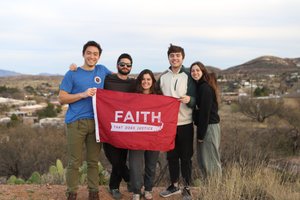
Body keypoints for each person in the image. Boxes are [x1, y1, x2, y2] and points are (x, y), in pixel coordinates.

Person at [58, 41, 112, 200]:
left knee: (93, 161)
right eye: (89, 53)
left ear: (99, 56)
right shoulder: (72, 73)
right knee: (74, 161)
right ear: (83, 54)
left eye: (95, 54)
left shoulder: (102, 70)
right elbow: (61, 98)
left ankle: (93, 193)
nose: (92, 56)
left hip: (96, 123)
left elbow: (120, 80)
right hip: (76, 122)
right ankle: (72, 193)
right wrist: (82, 94)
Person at [158, 44, 196, 200]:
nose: (175, 58)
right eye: (172, 55)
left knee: (186, 157)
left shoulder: (188, 75)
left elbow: (196, 98)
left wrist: (190, 99)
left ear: (183, 57)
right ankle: (174, 185)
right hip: (168, 124)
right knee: (171, 157)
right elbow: (154, 98)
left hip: (185, 123)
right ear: (168, 58)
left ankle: (186, 188)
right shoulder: (163, 77)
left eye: (178, 55)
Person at [103, 53, 136, 200]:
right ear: (117, 65)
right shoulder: (108, 79)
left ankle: (114, 187)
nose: (125, 67)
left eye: (128, 65)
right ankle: (129, 178)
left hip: (126, 129)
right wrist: (75, 68)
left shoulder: (133, 84)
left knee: (121, 160)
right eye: (122, 64)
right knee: (114, 159)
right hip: (108, 127)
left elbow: (149, 90)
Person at [129, 69, 162, 200]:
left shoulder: (160, 97)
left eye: (148, 79)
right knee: (135, 165)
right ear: (140, 81)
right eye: (143, 79)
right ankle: (136, 191)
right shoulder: (132, 97)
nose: (146, 82)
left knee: (151, 164)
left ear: (152, 81)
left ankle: (148, 189)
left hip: (154, 136)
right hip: (136, 136)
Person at [190, 61, 222, 181]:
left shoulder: (205, 88)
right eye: (193, 71)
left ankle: (216, 190)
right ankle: (209, 188)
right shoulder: (200, 86)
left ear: (203, 71)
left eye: (197, 70)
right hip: (206, 127)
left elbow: (205, 113)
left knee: (211, 161)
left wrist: (201, 134)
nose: (195, 72)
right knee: (204, 160)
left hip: (209, 127)